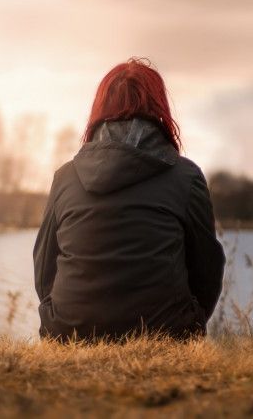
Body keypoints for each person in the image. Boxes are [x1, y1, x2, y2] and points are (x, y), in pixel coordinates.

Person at [33, 58, 226, 341]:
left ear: (99, 109)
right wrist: (189, 322)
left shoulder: (65, 177)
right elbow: (207, 269)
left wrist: (61, 317)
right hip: (165, 333)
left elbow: (44, 267)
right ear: (159, 108)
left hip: (69, 333)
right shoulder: (186, 177)